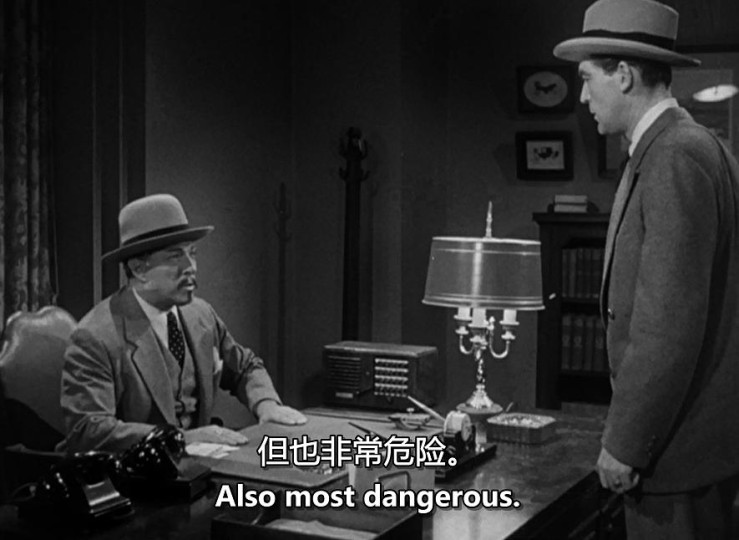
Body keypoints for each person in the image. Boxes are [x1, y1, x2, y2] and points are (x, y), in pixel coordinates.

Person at [554, 0, 739, 537]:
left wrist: (626, 443)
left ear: (625, 75)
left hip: (677, 458)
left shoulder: (674, 155)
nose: (583, 97)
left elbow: (667, 323)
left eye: (587, 79)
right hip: (690, 452)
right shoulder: (686, 148)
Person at [59, 193, 306, 453]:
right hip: (137, 471)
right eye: (175, 257)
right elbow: (89, 430)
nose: (191, 267)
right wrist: (181, 438)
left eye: (192, 253)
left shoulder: (200, 314)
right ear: (139, 269)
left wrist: (266, 404)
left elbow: (244, 367)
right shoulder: (96, 337)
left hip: (201, 466)